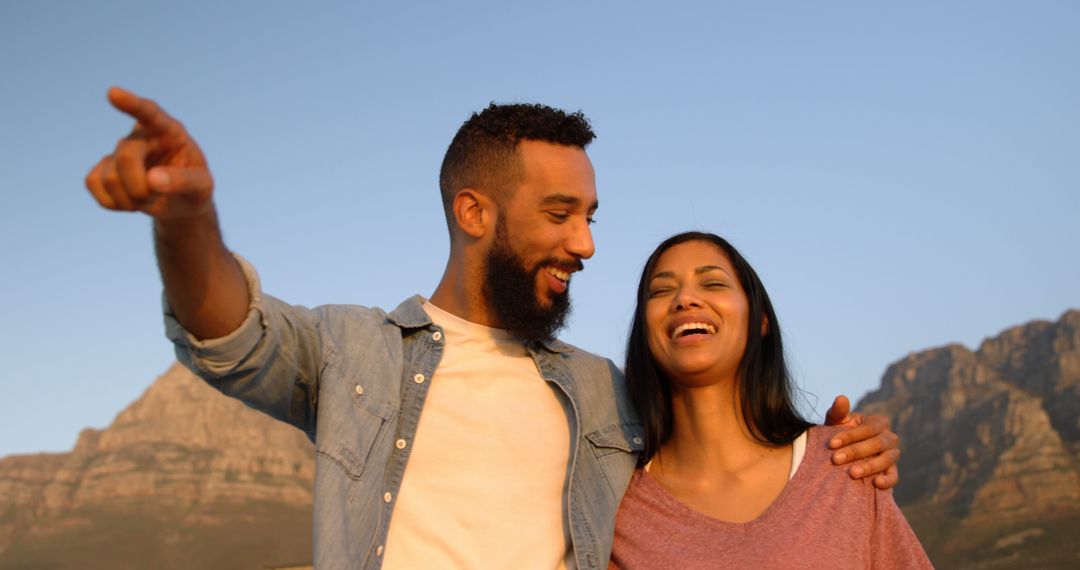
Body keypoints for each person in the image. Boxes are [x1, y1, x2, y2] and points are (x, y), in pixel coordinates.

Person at [84, 89, 901, 570]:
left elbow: (722, 471)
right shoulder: (352, 351)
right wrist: (187, 219)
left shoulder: (603, 395)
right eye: (559, 214)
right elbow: (229, 333)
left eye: (589, 216)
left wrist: (830, 454)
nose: (585, 244)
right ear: (473, 212)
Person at [611, 232, 930, 569]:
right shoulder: (613, 505)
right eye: (661, 290)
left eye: (713, 284)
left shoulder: (845, 466)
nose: (685, 298)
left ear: (761, 319)